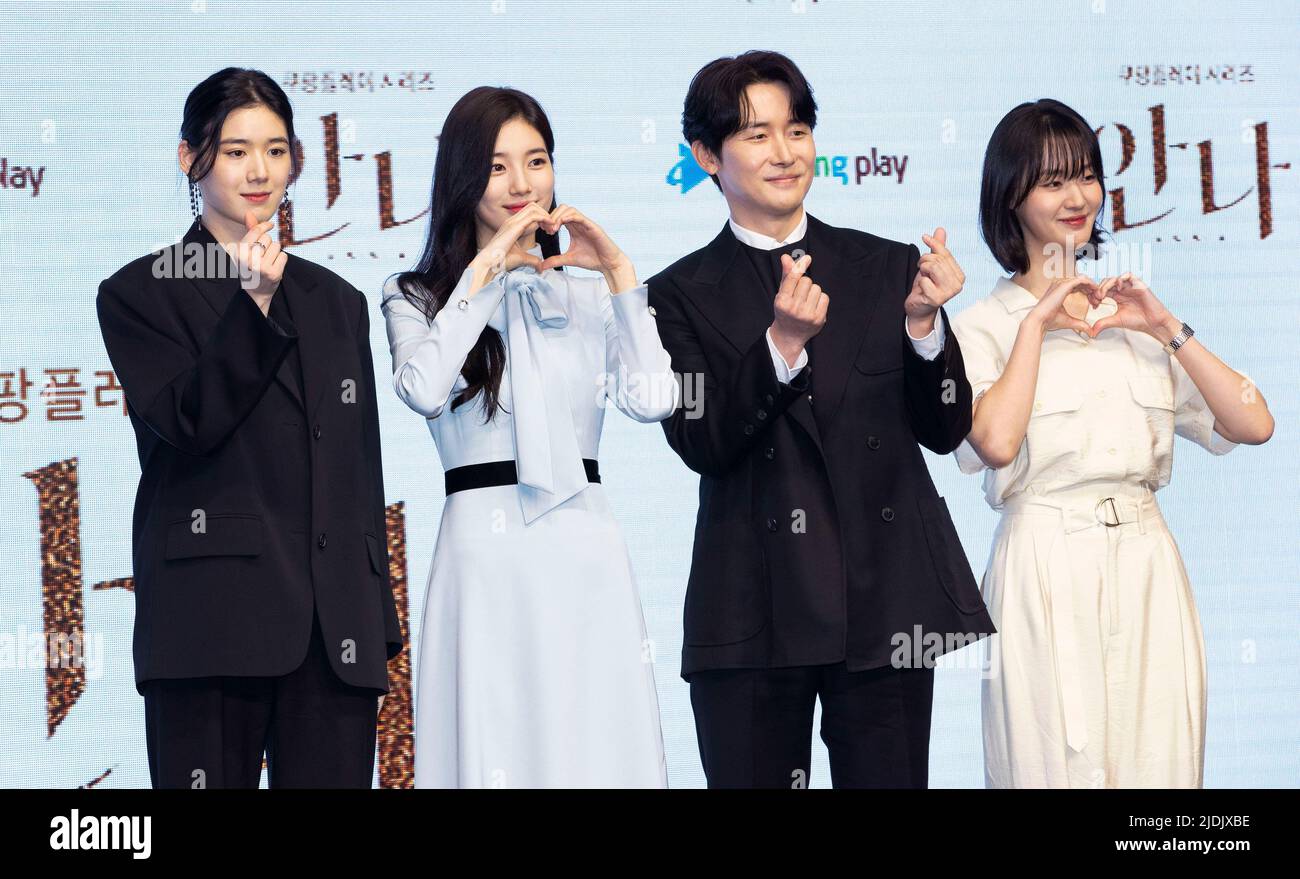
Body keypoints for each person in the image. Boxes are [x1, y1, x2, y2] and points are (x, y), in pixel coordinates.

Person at [646, 50, 994, 789]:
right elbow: (701, 439)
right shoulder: (674, 295)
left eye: (797, 129)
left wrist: (926, 328)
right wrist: (780, 345)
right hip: (750, 610)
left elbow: (945, 426)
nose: (784, 152)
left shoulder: (887, 266)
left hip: (884, 604)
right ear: (707, 156)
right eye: (756, 135)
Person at [951, 98, 1275, 788]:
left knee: (1160, 772)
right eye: (1053, 180)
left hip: (1145, 559)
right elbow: (996, 444)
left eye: (1088, 176)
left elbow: (1253, 423)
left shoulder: (1134, 314)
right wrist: (1037, 327)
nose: (1078, 198)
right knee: (1047, 764)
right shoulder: (981, 325)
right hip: (1042, 560)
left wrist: (1167, 327)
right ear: (1009, 196)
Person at [95, 68, 403, 788]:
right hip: (209, 625)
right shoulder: (141, 291)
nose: (258, 170)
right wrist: (253, 304)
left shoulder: (336, 300)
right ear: (190, 160)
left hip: (333, 636)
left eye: (274, 149)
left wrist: (371, 608)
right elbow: (188, 421)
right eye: (234, 151)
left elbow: (357, 465)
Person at [381, 86, 677, 788]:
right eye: (497, 166)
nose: (522, 183)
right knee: (493, 729)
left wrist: (620, 276)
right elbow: (422, 389)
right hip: (484, 552)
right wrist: (484, 280)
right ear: (461, 178)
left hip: (584, 540)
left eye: (536, 161)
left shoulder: (585, 291)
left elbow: (656, 399)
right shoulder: (416, 294)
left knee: (593, 735)